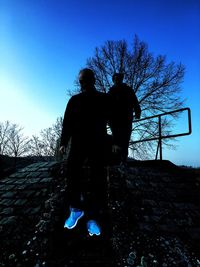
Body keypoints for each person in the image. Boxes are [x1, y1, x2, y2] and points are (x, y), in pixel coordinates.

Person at [60, 68, 109, 236]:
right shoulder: (74, 100)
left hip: (98, 142)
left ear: (93, 80)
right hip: (79, 142)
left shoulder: (103, 99)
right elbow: (67, 122)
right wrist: (63, 142)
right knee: (72, 172)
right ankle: (75, 209)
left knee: (98, 178)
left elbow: (114, 120)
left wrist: (117, 141)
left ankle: (93, 218)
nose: (83, 83)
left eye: (86, 79)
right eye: (81, 80)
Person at [108, 73, 141, 164]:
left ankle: (123, 159)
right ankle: (118, 159)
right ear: (113, 80)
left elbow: (135, 101)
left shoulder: (128, 90)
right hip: (114, 120)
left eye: (119, 78)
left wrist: (137, 111)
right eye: (115, 79)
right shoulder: (111, 92)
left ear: (121, 79)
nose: (117, 80)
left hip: (126, 118)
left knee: (125, 138)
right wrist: (107, 118)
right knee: (116, 139)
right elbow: (106, 106)